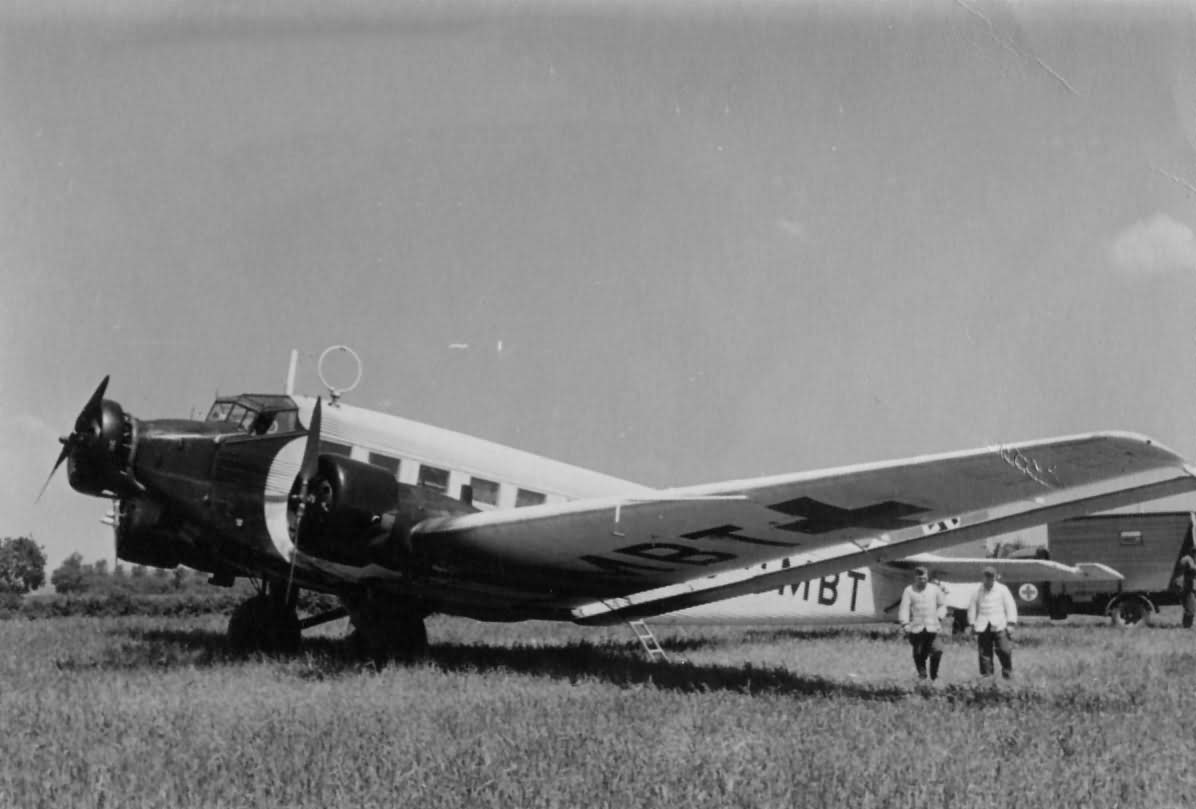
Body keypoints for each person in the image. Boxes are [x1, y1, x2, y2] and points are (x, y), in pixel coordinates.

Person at [897, 566, 947, 681]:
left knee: (937, 650)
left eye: (924, 578)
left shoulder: (934, 589)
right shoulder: (909, 590)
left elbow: (942, 605)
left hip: (932, 627)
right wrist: (905, 624)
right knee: (919, 654)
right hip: (917, 628)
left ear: (927, 577)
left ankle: (934, 675)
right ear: (915, 578)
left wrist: (939, 616)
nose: (922, 581)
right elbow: (904, 608)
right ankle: (922, 675)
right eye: (920, 579)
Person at [967, 566, 1018, 679]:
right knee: (984, 653)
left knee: (1004, 650)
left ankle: (1007, 673)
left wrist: (1011, 623)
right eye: (987, 577)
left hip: (999, 624)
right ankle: (987, 676)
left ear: (995, 578)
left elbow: (1010, 606)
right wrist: (972, 624)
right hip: (982, 625)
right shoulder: (977, 590)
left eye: (991, 577)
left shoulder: (1003, 589)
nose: (989, 580)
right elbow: (972, 607)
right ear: (983, 577)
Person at [1176, 539, 1196, 629]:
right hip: (1184, 587)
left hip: (1187, 587)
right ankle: (1186, 626)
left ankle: (1187, 626)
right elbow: (1193, 569)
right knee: (1190, 607)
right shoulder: (1187, 558)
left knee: (1190, 608)